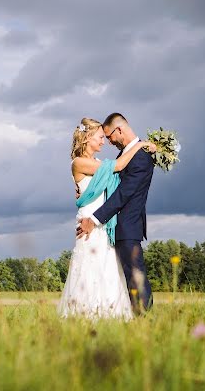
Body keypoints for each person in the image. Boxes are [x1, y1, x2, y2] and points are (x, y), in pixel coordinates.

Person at [57, 117, 155, 319]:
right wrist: (142, 145)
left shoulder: (100, 163)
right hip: (89, 223)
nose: (104, 142)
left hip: (103, 224)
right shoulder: (79, 162)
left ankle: (108, 316)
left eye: (105, 137)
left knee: (109, 272)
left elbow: (117, 181)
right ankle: (86, 316)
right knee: (89, 270)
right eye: (100, 137)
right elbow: (118, 166)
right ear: (87, 138)